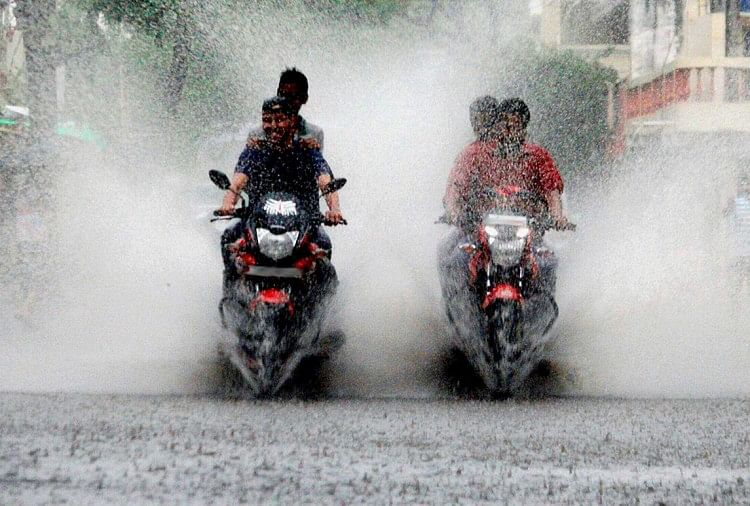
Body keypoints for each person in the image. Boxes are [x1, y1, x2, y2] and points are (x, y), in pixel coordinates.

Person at [217, 96, 344, 284]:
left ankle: (323, 310)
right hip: (258, 223)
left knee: (324, 248)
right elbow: (237, 182)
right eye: (267, 120)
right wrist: (227, 204)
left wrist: (334, 211)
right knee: (228, 237)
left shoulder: (307, 150)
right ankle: (232, 297)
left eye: (279, 119)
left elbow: (325, 181)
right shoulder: (254, 151)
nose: (272, 126)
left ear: (292, 121)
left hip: (303, 224)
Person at [246, 68, 324, 151]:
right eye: (282, 95)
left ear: (304, 99)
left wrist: (311, 152)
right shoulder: (257, 134)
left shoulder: (314, 134)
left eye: (292, 97)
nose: (286, 101)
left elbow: (317, 162)